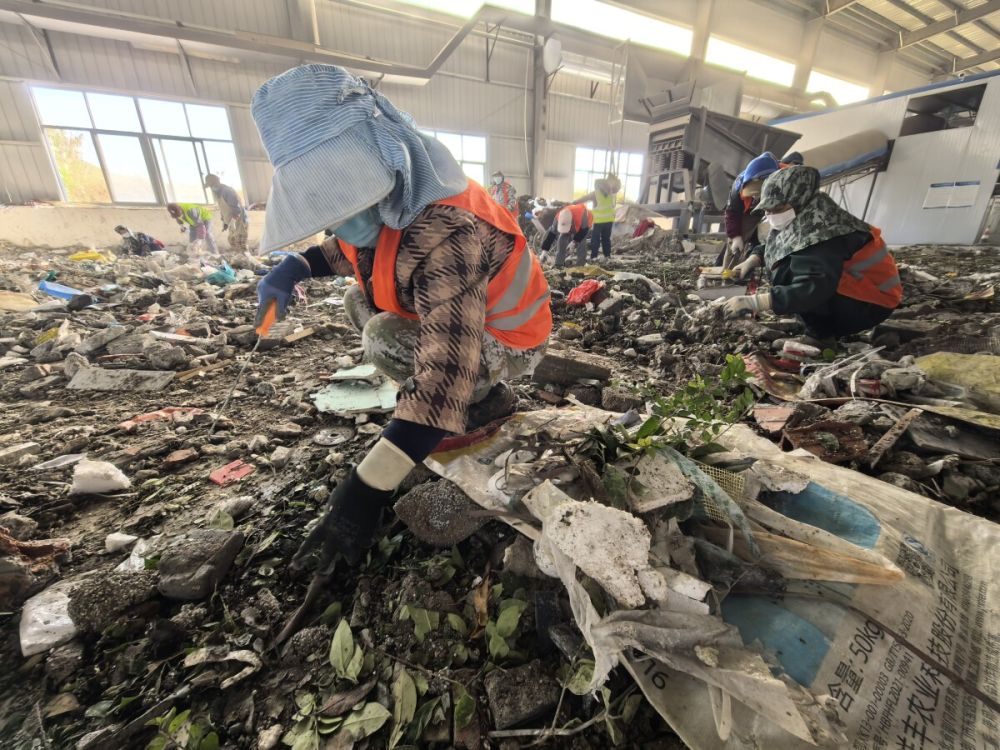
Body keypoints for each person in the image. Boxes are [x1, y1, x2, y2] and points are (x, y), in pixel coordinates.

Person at [251, 64, 552, 569]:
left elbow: (443, 376)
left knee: (382, 334)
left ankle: (483, 401)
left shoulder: (446, 227)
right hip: (463, 321)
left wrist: (366, 487)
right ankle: (434, 417)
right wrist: (293, 267)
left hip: (510, 337)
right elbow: (347, 252)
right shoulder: (388, 199)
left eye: (345, 201)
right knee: (359, 301)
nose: (339, 223)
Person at [724, 165, 902, 342]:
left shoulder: (823, 231)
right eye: (767, 210)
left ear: (799, 198)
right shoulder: (807, 213)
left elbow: (813, 286)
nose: (771, 215)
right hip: (858, 291)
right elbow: (782, 245)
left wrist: (756, 302)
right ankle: (821, 326)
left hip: (871, 302)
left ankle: (820, 336)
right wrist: (753, 259)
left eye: (777, 208)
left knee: (787, 272)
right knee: (789, 267)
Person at [723, 152, 780, 268]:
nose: (755, 196)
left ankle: (762, 267)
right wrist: (735, 236)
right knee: (735, 245)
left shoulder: (785, 180)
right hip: (749, 212)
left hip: (777, 208)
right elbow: (731, 213)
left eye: (757, 194)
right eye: (752, 194)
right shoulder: (737, 188)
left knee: (771, 239)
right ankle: (729, 271)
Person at [573, 174, 620, 261]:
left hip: (599, 220)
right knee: (606, 238)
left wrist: (573, 203)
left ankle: (594, 257)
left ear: (597, 185)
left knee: (595, 239)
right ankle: (607, 256)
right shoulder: (610, 193)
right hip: (609, 220)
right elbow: (617, 189)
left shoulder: (595, 193)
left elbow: (583, 199)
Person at [204, 174, 248, 254]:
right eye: (210, 186)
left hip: (238, 220)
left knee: (240, 242)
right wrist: (225, 222)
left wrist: (233, 221)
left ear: (216, 183)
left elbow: (236, 209)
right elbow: (223, 208)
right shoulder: (218, 193)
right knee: (232, 241)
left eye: (212, 185)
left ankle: (245, 258)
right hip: (231, 221)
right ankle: (240, 258)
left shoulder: (227, 191)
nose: (211, 188)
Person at [540, 203, 592, 268]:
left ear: (572, 223)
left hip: (583, 226)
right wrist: (544, 250)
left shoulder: (582, 214)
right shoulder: (558, 217)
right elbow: (551, 234)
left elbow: (584, 230)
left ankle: (580, 265)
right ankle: (558, 264)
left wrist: (574, 242)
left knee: (581, 242)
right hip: (572, 222)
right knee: (562, 239)